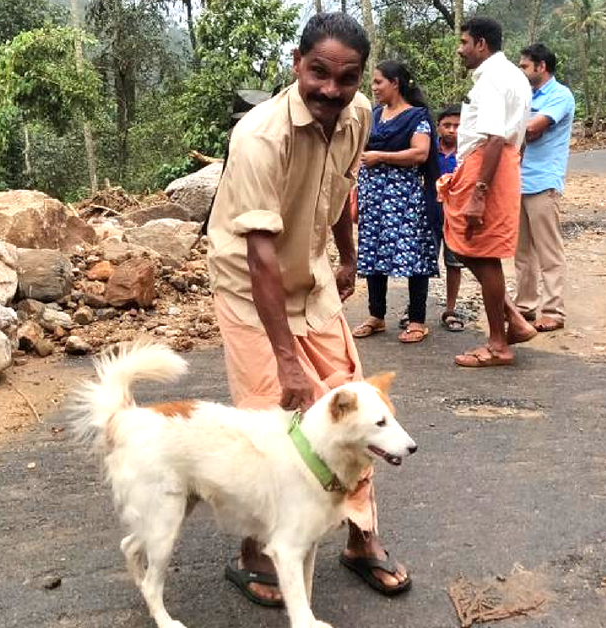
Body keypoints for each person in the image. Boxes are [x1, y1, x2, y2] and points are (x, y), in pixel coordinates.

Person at [205, 11, 411, 608]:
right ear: (298, 65)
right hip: (250, 289)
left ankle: (360, 537)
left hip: (313, 278)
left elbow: (341, 191)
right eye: (318, 72)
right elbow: (261, 257)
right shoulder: (259, 137)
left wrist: (346, 256)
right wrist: (286, 360)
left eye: (346, 78)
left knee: (355, 404)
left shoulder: (360, 117)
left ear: (360, 80)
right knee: (268, 419)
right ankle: (253, 551)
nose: (330, 89)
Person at [439, 17, 536, 367]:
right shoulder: (513, 75)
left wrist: (479, 191)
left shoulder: (494, 78)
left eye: (464, 42)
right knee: (464, 243)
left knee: (481, 249)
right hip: (496, 163)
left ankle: (499, 345)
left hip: (488, 165)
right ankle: (513, 318)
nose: (460, 50)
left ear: (481, 44)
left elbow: (495, 137)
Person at [352, 60, 440, 344]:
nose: (374, 87)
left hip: (403, 197)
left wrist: (381, 157)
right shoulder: (376, 115)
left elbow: (420, 153)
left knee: (412, 254)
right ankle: (376, 316)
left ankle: (417, 320)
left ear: (395, 83)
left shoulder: (417, 116)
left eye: (378, 82)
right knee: (374, 253)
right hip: (373, 197)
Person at [516, 43, 574, 332]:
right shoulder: (525, 95)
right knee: (522, 252)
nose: (521, 70)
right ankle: (525, 306)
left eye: (525, 66)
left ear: (541, 67)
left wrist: (514, 124)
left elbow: (532, 128)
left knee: (549, 250)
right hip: (518, 180)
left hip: (543, 181)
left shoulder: (560, 95)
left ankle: (553, 310)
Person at [436, 105, 466, 332]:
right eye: (447, 125)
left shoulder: (467, 155)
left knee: (454, 263)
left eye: (457, 126)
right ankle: (414, 308)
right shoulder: (428, 152)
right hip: (431, 214)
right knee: (424, 261)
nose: (452, 130)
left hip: (457, 216)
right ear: (438, 127)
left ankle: (450, 308)